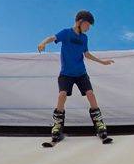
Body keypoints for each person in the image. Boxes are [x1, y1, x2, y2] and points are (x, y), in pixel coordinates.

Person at [37, 10, 115, 144]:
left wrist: (102, 62)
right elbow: (53, 37)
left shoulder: (84, 38)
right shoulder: (66, 33)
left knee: (90, 94)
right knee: (62, 95)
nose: (88, 28)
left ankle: (100, 127)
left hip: (81, 73)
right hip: (66, 73)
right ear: (80, 22)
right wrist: (43, 42)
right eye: (88, 25)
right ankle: (57, 127)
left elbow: (87, 54)